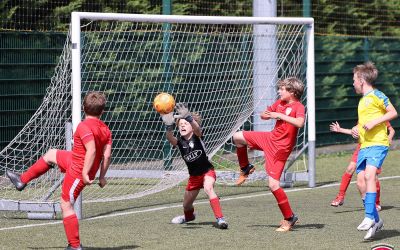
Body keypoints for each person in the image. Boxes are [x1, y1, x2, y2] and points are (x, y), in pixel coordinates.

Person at [6, 91, 112, 250]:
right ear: (102, 111)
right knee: (51, 154)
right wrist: (102, 176)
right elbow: (107, 155)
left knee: (66, 204)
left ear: (83, 108)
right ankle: (22, 180)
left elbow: (92, 151)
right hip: (75, 160)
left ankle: (75, 246)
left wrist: (84, 173)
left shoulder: (84, 127)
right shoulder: (105, 129)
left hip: (78, 170)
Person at [232, 77, 305, 232]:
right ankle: (245, 168)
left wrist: (279, 116)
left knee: (273, 185)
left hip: (280, 150)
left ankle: (290, 217)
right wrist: (266, 114)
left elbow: (299, 123)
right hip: (270, 139)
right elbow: (266, 114)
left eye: (282, 89)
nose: (279, 91)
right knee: (237, 137)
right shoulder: (279, 103)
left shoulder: (298, 106)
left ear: (292, 92)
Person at [161, 103, 228, 229]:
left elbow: (197, 128)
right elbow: (169, 137)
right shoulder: (180, 142)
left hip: (207, 171)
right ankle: (189, 217)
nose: (182, 126)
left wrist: (189, 118)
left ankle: (221, 219)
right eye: (180, 125)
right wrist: (169, 126)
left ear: (191, 126)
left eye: (185, 124)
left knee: (209, 188)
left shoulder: (197, 136)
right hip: (194, 177)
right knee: (186, 205)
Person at [351, 61, 397, 240]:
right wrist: (357, 130)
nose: (353, 83)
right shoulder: (362, 101)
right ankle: (376, 221)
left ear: (362, 80)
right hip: (365, 145)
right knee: (361, 181)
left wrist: (375, 123)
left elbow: (392, 112)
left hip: (378, 143)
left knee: (370, 176)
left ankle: (370, 216)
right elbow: (364, 123)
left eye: (354, 79)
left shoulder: (377, 95)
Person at [329, 121, 395, 211]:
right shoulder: (363, 115)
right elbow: (356, 131)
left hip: (375, 147)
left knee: (373, 176)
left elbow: (392, 130)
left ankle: (376, 202)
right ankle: (340, 196)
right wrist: (340, 130)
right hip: (362, 147)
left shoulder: (379, 115)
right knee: (350, 169)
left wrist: (389, 137)